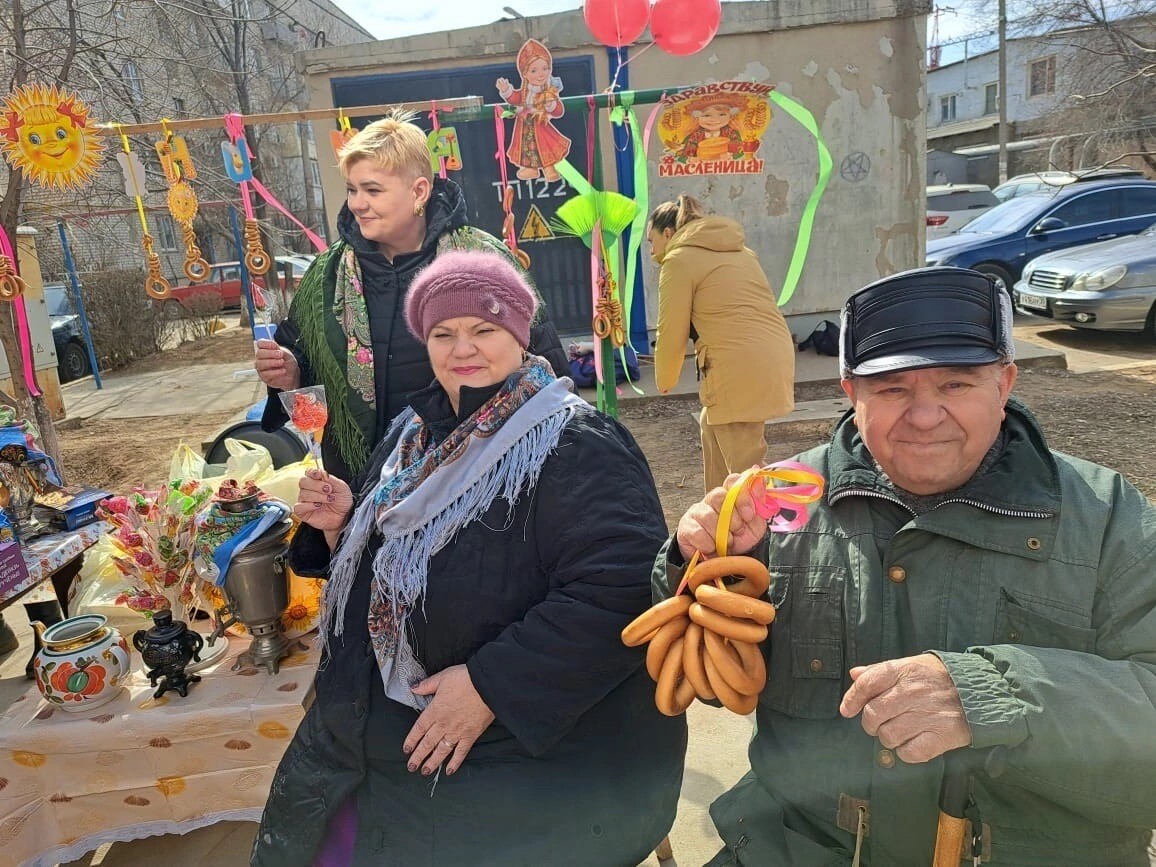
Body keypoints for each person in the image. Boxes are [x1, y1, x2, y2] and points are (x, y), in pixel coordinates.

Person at [658, 266, 1156, 865]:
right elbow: (709, 682)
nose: (924, 416)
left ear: (1005, 384)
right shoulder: (781, 498)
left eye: (956, 385)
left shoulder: (1105, 517)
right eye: (892, 389)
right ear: (851, 393)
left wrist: (995, 696)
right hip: (798, 845)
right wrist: (698, 570)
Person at [253, 250, 687, 867]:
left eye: (484, 329)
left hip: (518, 767)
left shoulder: (575, 443)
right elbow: (401, 557)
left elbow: (622, 590)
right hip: (380, 748)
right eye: (443, 333)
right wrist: (341, 529)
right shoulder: (413, 435)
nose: (465, 348)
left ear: (519, 334)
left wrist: (491, 685)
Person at [254, 110, 568, 483]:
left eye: (373, 190)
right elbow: (304, 357)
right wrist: (289, 370)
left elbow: (543, 361)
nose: (356, 204)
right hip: (363, 482)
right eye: (352, 190)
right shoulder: (327, 275)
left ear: (418, 191)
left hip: (473, 470)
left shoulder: (481, 261)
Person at [648, 194, 795, 492]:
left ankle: (763, 534)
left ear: (667, 234)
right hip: (772, 353)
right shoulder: (742, 253)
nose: (651, 251)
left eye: (651, 241)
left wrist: (665, 378)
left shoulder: (678, 261)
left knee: (747, 468)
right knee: (711, 424)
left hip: (736, 365)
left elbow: (671, 330)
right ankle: (715, 513)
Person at [495, 38, 571, 182]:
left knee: (545, 147)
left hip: (541, 126)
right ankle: (531, 168)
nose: (540, 74)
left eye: (544, 68)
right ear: (525, 74)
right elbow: (515, 98)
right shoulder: (525, 92)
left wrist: (551, 106)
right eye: (534, 70)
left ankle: (549, 168)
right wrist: (506, 90)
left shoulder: (549, 91)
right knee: (528, 149)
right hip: (525, 127)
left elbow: (559, 110)